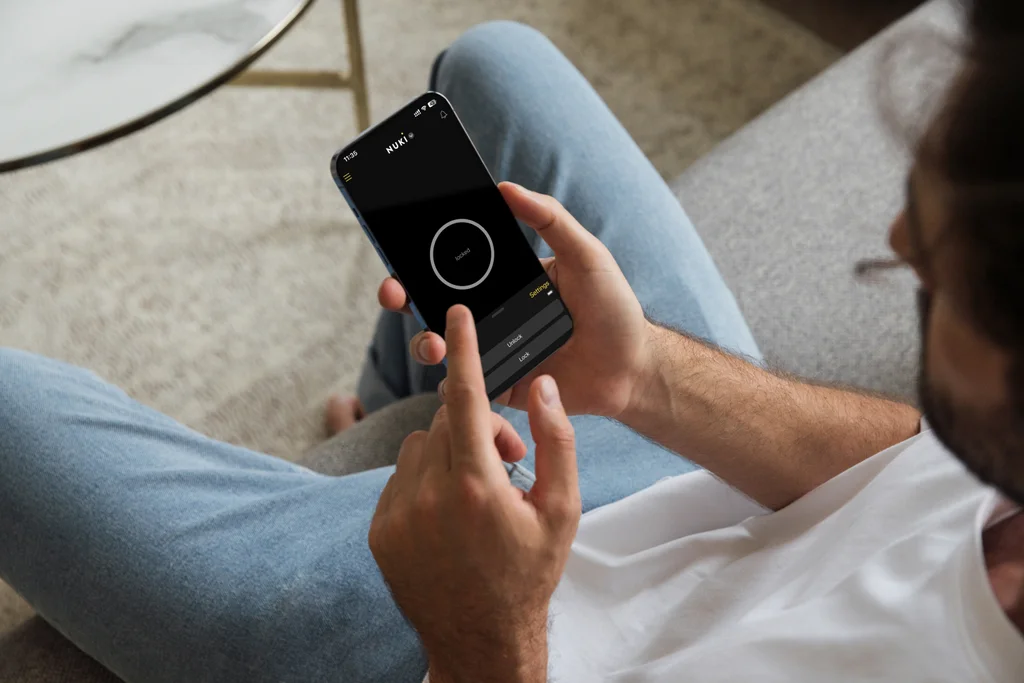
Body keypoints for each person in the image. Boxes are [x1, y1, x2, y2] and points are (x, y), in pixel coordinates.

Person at [2, 0, 1023, 680]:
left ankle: (388, 458)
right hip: (699, 471)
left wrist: (483, 630)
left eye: (935, 277)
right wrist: (650, 377)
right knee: (493, 65)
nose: (895, 242)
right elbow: (923, 469)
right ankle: (391, 412)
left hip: (471, 629)